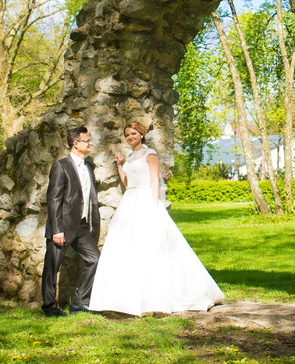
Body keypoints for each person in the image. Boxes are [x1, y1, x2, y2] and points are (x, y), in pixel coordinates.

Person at [88, 121, 224, 315]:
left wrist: (153, 205)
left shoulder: (149, 154)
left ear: (141, 134)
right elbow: (127, 183)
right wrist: (119, 166)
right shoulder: (130, 156)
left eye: (133, 133)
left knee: (151, 244)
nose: (130, 137)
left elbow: (154, 181)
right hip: (130, 200)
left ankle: (158, 297)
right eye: (127, 135)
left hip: (145, 199)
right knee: (126, 246)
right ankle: (125, 298)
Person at [40, 126, 100, 317]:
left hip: (81, 226)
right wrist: (57, 230)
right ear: (76, 143)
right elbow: (54, 200)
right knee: (52, 266)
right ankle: (50, 307)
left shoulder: (88, 167)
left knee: (95, 259)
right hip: (62, 227)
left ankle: (79, 302)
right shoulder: (61, 166)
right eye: (87, 140)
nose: (90, 143)